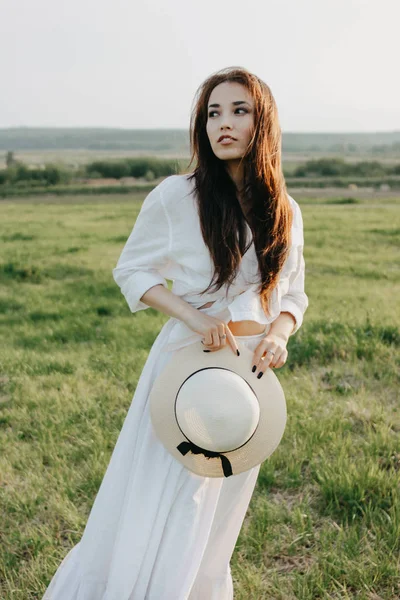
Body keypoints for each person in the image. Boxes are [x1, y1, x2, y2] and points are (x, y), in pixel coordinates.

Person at [42, 66, 308, 600]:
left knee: (220, 507)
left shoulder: (284, 207)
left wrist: (279, 334)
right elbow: (133, 271)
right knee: (168, 493)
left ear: (264, 124)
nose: (223, 124)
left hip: (250, 375)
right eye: (213, 113)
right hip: (189, 362)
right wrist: (195, 317)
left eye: (239, 111)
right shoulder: (176, 195)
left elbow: (293, 295)